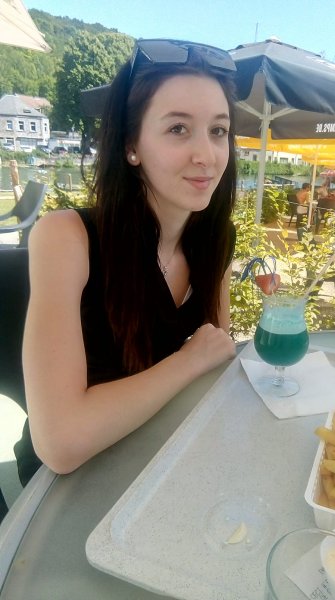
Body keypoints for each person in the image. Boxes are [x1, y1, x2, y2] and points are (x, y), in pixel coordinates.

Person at [20, 39, 238, 480]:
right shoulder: (67, 238)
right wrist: (188, 361)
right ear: (130, 145)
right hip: (70, 484)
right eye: (178, 129)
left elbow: (214, 356)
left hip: (159, 455)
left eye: (218, 131)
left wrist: (200, 360)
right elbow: (61, 442)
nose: (206, 155)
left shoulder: (216, 238)